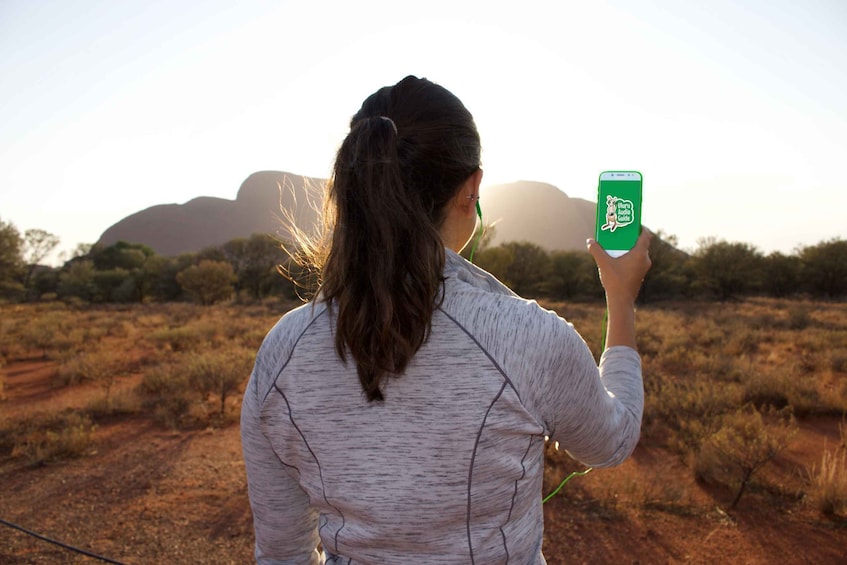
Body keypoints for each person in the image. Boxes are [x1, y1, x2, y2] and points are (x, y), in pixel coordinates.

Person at [241, 75, 652, 564]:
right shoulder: (527, 338)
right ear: (471, 187)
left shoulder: (283, 353)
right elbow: (612, 440)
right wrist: (621, 299)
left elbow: (282, 554)